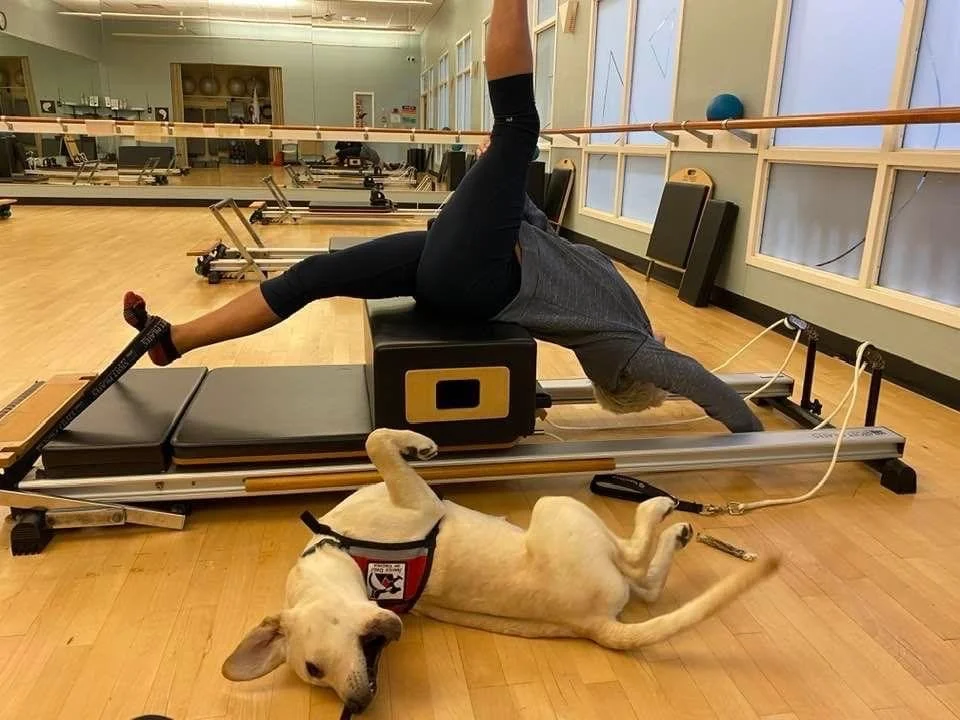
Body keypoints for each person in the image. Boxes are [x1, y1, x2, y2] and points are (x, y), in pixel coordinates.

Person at [123, 0, 762, 434]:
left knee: (518, 126)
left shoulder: (626, 353)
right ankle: (172, 341)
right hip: (461, 267)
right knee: (314, 274)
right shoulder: (625, 310)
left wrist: (751, 434)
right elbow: (540, 232)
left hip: (477, 279)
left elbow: (700, 382)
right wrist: (501, 182)